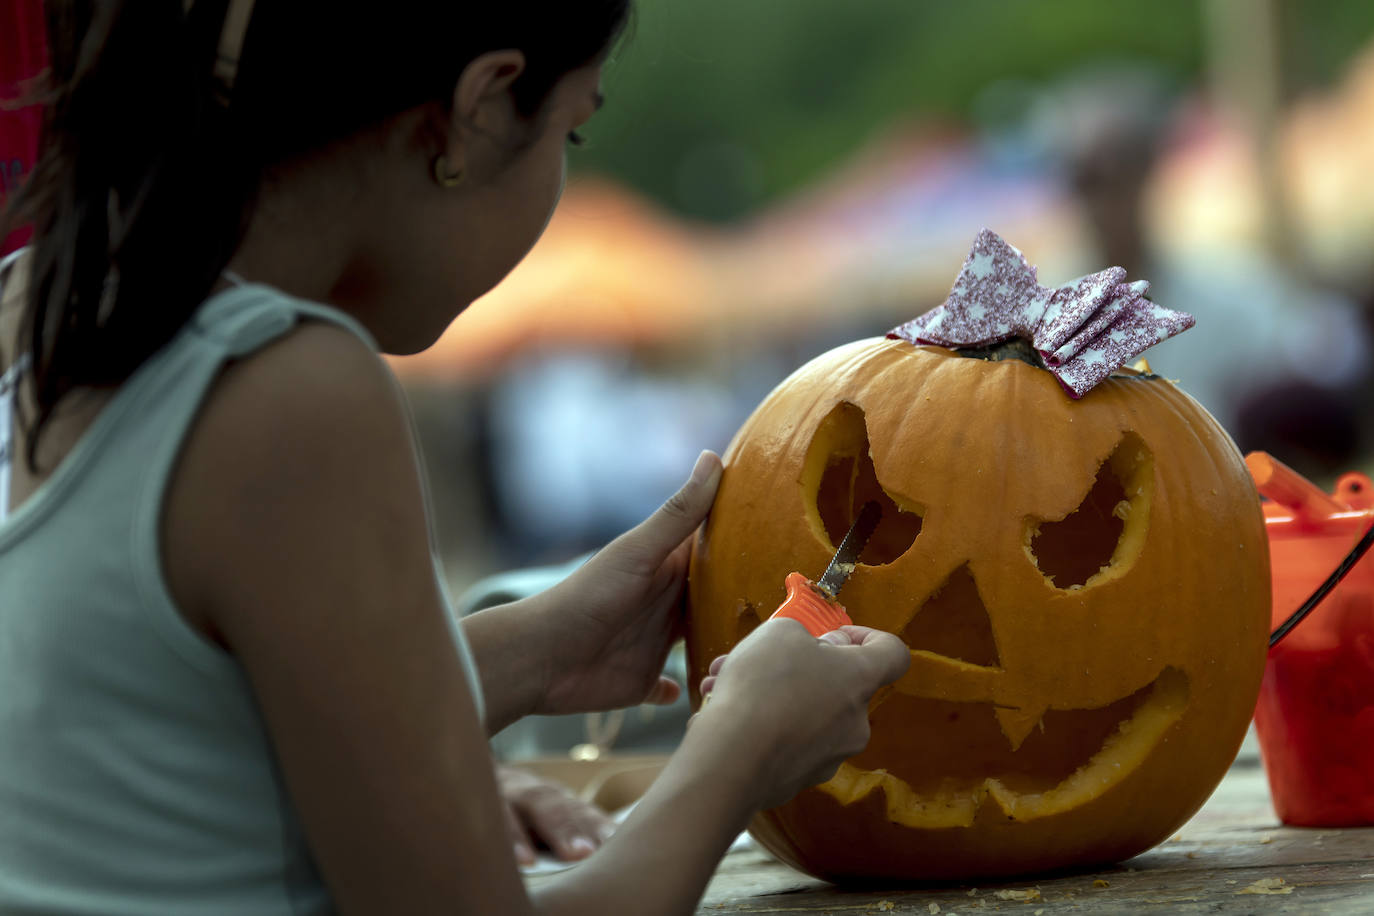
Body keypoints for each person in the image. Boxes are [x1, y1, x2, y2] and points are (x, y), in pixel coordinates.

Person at [0, 2, 911, 914]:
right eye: (574, 131)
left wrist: (538, 650)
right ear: (481, 104)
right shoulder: (282, 390)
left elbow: (157, 740)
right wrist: (743, 753)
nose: (563, 169)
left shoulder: (32, 303)